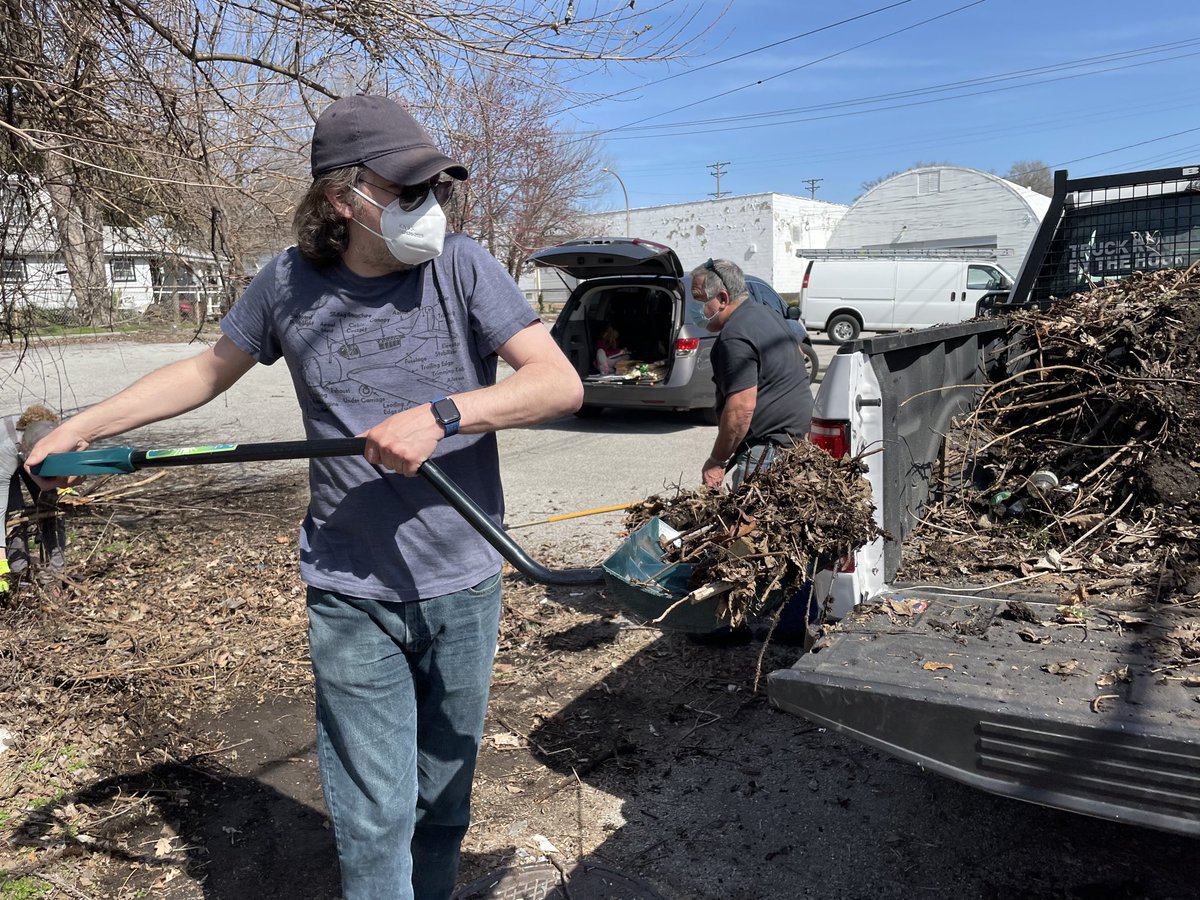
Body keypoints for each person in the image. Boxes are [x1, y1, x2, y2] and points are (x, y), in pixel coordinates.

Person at [28, 94, 583, 900]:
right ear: (340, 197)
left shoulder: (462, 266)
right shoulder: (287, 283)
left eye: (434, 188)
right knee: (372, 818)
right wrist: (82, 428)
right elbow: (203, 372)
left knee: (442, 803)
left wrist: (443, 414)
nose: (428, 204)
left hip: (463, 580)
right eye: (405, 189)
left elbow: (558, 383)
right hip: (350, 588)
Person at [691, 258, 813, 489]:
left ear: (723, 299)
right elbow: (798, 353)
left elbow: (741, 409)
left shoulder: (734, 336)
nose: (694, 309)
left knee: (748, 512)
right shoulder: (766, 314)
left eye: (699, 299)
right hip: (795, 441)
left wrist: (716, 460)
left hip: (766, 450)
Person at [1, 405, 66, 592]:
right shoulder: (6, 450)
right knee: (14, 514)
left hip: (29, 451)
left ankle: (55, 575)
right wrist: (1, 564)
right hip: (4, 459)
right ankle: (20, 576)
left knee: (52, 505)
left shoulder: (54, 438)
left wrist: (64, 484)